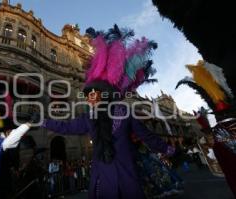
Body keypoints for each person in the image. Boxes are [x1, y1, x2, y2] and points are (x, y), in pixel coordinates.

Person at [36, 25, 175, 199]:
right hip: (108, 181)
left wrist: (166, 148)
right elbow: (66, 126)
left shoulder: (120, 113)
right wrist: (43, 121)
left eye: (91, 95)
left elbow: (146, 135)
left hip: (120, 179)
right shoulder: (93, 116)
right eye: (87, 96)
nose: (88, 99)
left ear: (103, 96)